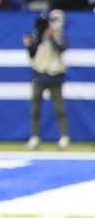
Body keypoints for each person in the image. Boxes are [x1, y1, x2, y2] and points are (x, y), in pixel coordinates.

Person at [24, 9, 71, 149]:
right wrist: (30, 44)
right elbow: (33, 55)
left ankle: (64, 137)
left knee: (59, 108)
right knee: (35, 109)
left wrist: (51, 36)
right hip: (40, 73)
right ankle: (35, 137)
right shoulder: (38, 35)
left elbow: (62, 48)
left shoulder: (59, 36)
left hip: (55, 74)